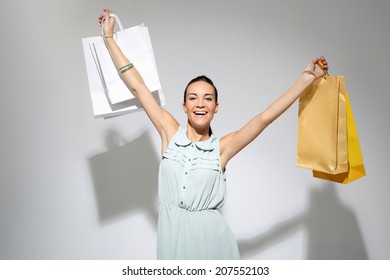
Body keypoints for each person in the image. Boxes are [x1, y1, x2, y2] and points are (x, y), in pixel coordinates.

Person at [98, 9, 328, 259]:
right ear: (184, 106)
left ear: (216, 108)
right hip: (172, 244)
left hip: (213, 249)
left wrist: (307, 79)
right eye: (193, 98)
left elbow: (265, 117)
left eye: (208, 99)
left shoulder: (222, 148)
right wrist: (109, 40)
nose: (200, 104)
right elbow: (137, 86)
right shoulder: (169, 132)